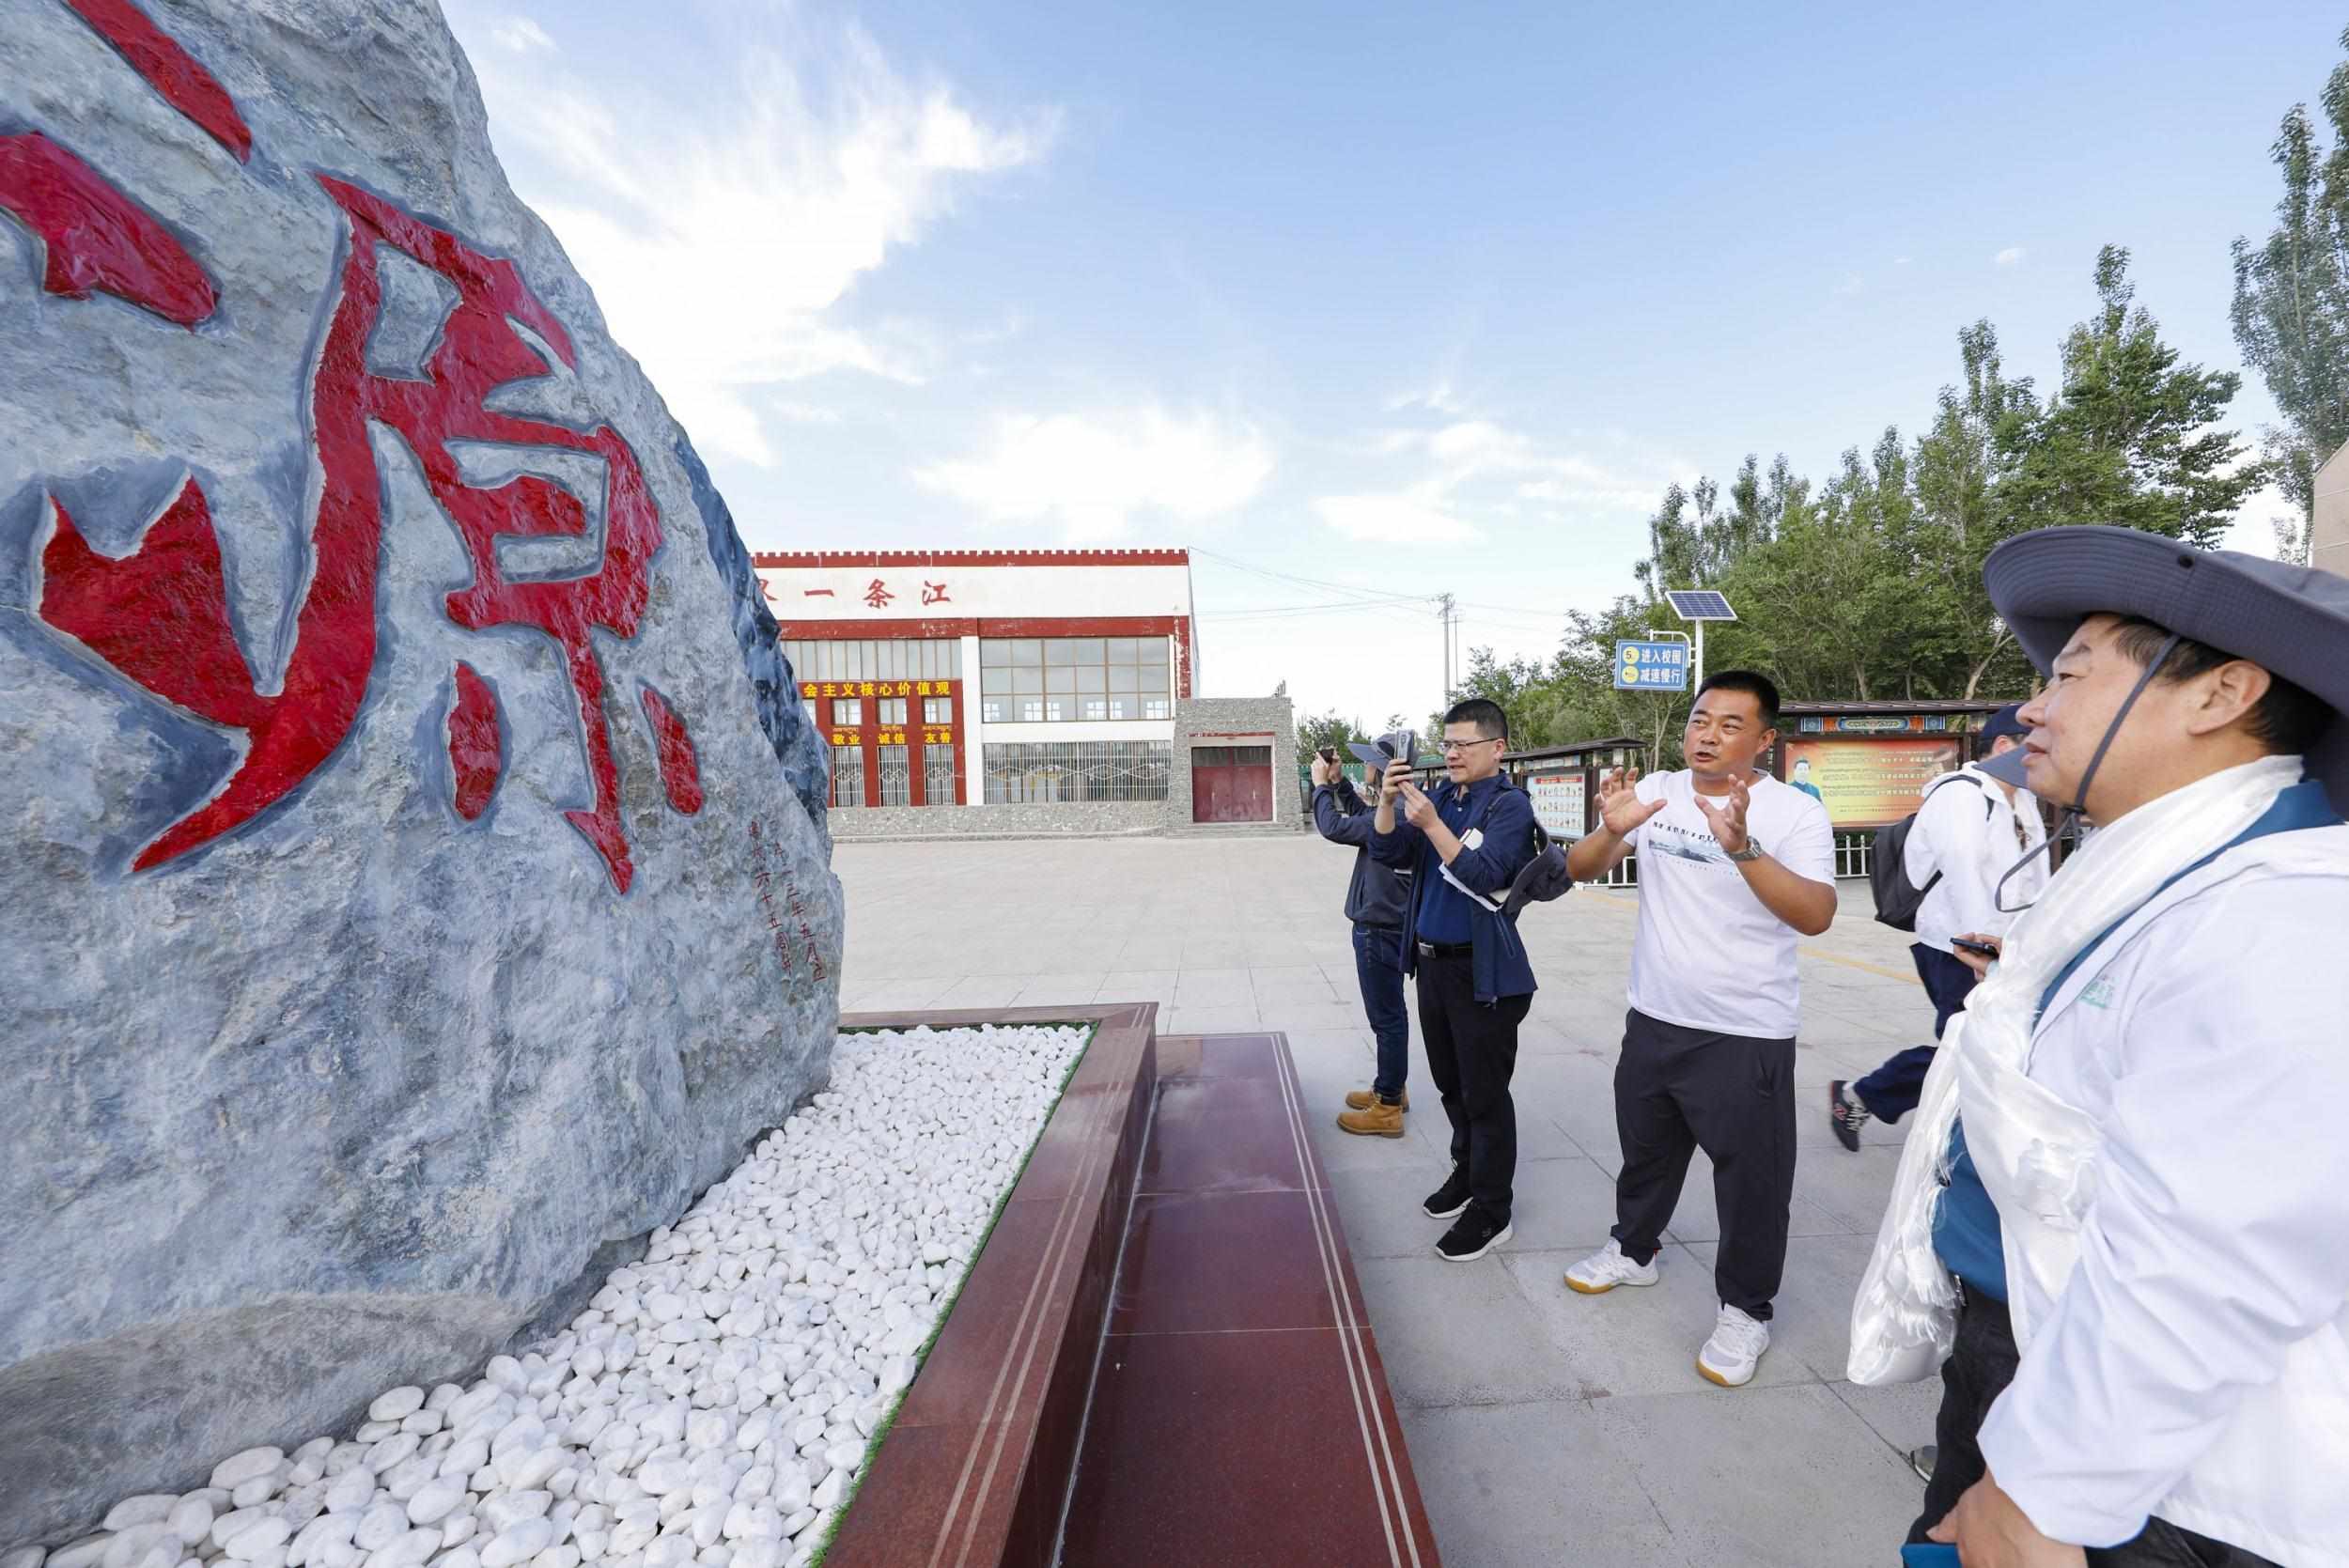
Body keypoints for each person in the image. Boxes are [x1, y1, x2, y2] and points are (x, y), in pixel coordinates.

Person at [1847, 525, 2349, 1568]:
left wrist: (2041, 1489)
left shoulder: (2286, 913)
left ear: (2221, 694)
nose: (2032, 708)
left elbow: (2217, 1255)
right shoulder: (2164, 869)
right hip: (2027, 1345)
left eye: (2070, 674)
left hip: (2139, 1472)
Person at [1558, 671, 1836, 1388]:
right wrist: (1610, 829)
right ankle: (1634, 1250)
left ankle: (1746, 1308)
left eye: (1729, 724)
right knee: (1645, 1152)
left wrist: (1742, 847)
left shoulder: (1794, 813)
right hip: (1654, 1016)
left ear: (1765, 739)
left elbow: (1816, 914)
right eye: (1699, 719)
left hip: (1746, 1029)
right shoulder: (1657, 790)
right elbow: (1580, 868)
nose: (1707, 734)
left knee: (1752, 1181)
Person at [1828, 705, 2046, 1150]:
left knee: (1982, 1047)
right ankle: (1864, 1097)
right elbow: (1962, 870)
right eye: (2036, 743)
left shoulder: (2022, 799)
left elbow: (2035, 873)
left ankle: (1867, 1097)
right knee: (1968, 1047)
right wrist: (1980, 949)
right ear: (2004, 745)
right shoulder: (1960, 794)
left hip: (2007, 947)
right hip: (1957, 947)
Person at [1369, 698, 1540, 1263]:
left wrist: (1433, 826)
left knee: (1485, 1094)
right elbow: (1388, 849)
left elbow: (1487, 875)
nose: (1451, 754)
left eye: (1464, 744)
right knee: (1450, 1083)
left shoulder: (1509, 806)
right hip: (1433, 966)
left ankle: (1493, 1209)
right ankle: (1466, 1173)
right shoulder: (1443, 796)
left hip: (1482, 972)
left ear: (1497, 748)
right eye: (1447, 744)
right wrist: (1388, 801)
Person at [1309, 738, 1415, 1137]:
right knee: (1392, 1014)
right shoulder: (1403, 807)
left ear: (1384, 770)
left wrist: (1321, 786)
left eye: (1369, 763)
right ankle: (1392, 1085)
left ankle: (1387, 1106)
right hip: (1390, 922)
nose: (1365, 768)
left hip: (1379, 926)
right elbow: (1365, 817)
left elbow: (1334, 827)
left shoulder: (1394, 814)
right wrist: (1339, 784)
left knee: (1386, 1018)